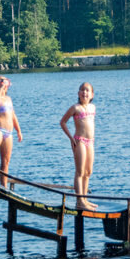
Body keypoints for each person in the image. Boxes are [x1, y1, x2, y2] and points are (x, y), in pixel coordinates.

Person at [58, 82, 97, 210]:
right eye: (82, 90)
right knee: (80, 171)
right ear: (78, 93)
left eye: (87, 90)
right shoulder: (75, 108)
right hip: (79, 140)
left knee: (88, 171)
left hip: (90, 141)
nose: (84, 92)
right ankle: (79, 200)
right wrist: (70, 137)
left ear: (92, 94)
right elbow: (63, 122)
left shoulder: (92, 108)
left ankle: (84, 199)